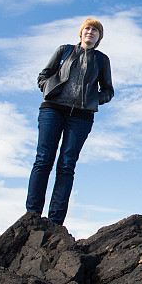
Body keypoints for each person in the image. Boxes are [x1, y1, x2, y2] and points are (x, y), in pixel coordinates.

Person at [25, 18, 113, 225]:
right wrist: (48, 89)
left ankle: (55, 222)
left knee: (66, 165)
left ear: (99, 37)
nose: (90, 32)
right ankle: (31, 216)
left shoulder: (102, 60)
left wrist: (93, 100)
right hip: (53, 110)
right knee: (43, 159)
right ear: (81, 33)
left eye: (95, 31)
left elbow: (108, 90)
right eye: (87, 29)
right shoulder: (64, 51)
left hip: (81, 117)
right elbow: (43, 75)